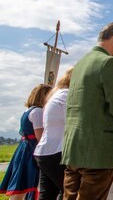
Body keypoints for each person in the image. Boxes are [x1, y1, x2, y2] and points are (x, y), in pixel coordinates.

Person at [61, 22, 113, 200]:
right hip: (98, 153)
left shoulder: (80, 65)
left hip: (74, 150)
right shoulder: (109, 63)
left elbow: (94, 107)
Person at [0, 84, 52, 200]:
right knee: (25, 184)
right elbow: (40, 138)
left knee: (22, 184)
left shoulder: (27, 111)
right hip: (31, 151)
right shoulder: (38, 111)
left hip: (24, 149)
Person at [34, 68, 73, 200]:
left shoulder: (55, 95)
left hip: (44, 152)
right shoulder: (67, 95)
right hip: (57, 151)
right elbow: (74, 121)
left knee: (48, 194)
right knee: (69, 191)